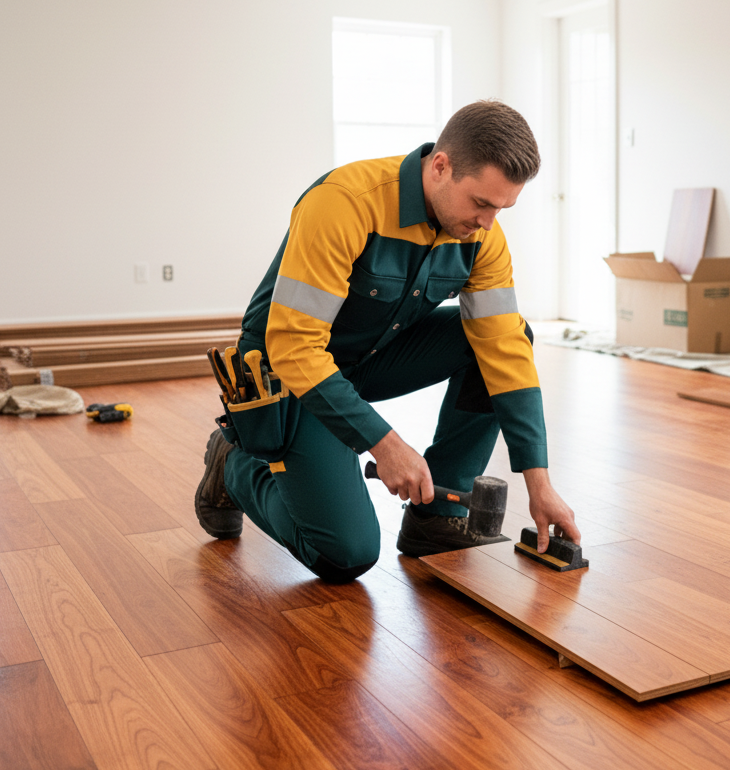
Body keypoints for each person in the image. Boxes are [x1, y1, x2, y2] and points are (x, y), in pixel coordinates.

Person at [195, 99, 580, 583]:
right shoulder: (344, 203)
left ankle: (436, 517)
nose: (488, 223)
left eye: (503, 208)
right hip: (288, 375)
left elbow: (506, 352)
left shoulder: (481, 236)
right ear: (440, 166)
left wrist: (539, 484)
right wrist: (385, 443)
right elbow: (295, 348)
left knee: (509, 334)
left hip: (367, 360)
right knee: (345, 554)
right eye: (482, 203)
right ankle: (233, 463)